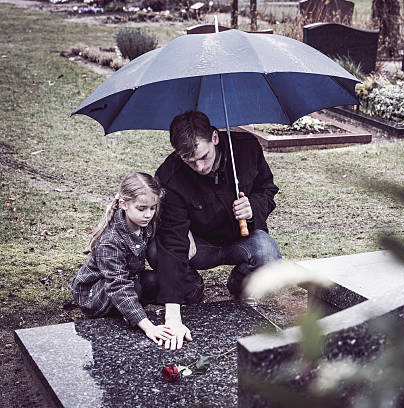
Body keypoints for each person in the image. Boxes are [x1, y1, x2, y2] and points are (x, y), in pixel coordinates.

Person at [151, 110, 282, 350]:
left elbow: (268, 190)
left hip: (241, 239)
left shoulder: (247, 148)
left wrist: (253, 207)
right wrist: (172, 315)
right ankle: (192, 290)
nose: (199, 167)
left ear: (215, 137)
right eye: (189, 161)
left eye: (203, 157)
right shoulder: (170, 175)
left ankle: (240, 285)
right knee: (156, 251)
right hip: (199, 245)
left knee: (268, 255)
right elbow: (173, 241)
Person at [71, 172, 174, 346]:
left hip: (129, 277)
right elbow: (118, 285)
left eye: (152, 208)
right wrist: (148, 327)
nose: (148, 214)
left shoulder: (145, 221)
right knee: (132, 288)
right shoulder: (110, 242)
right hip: (95, 295)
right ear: (123, 204)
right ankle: (126, 313)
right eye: (141, 209)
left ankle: (131, 307)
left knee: (154, 280)